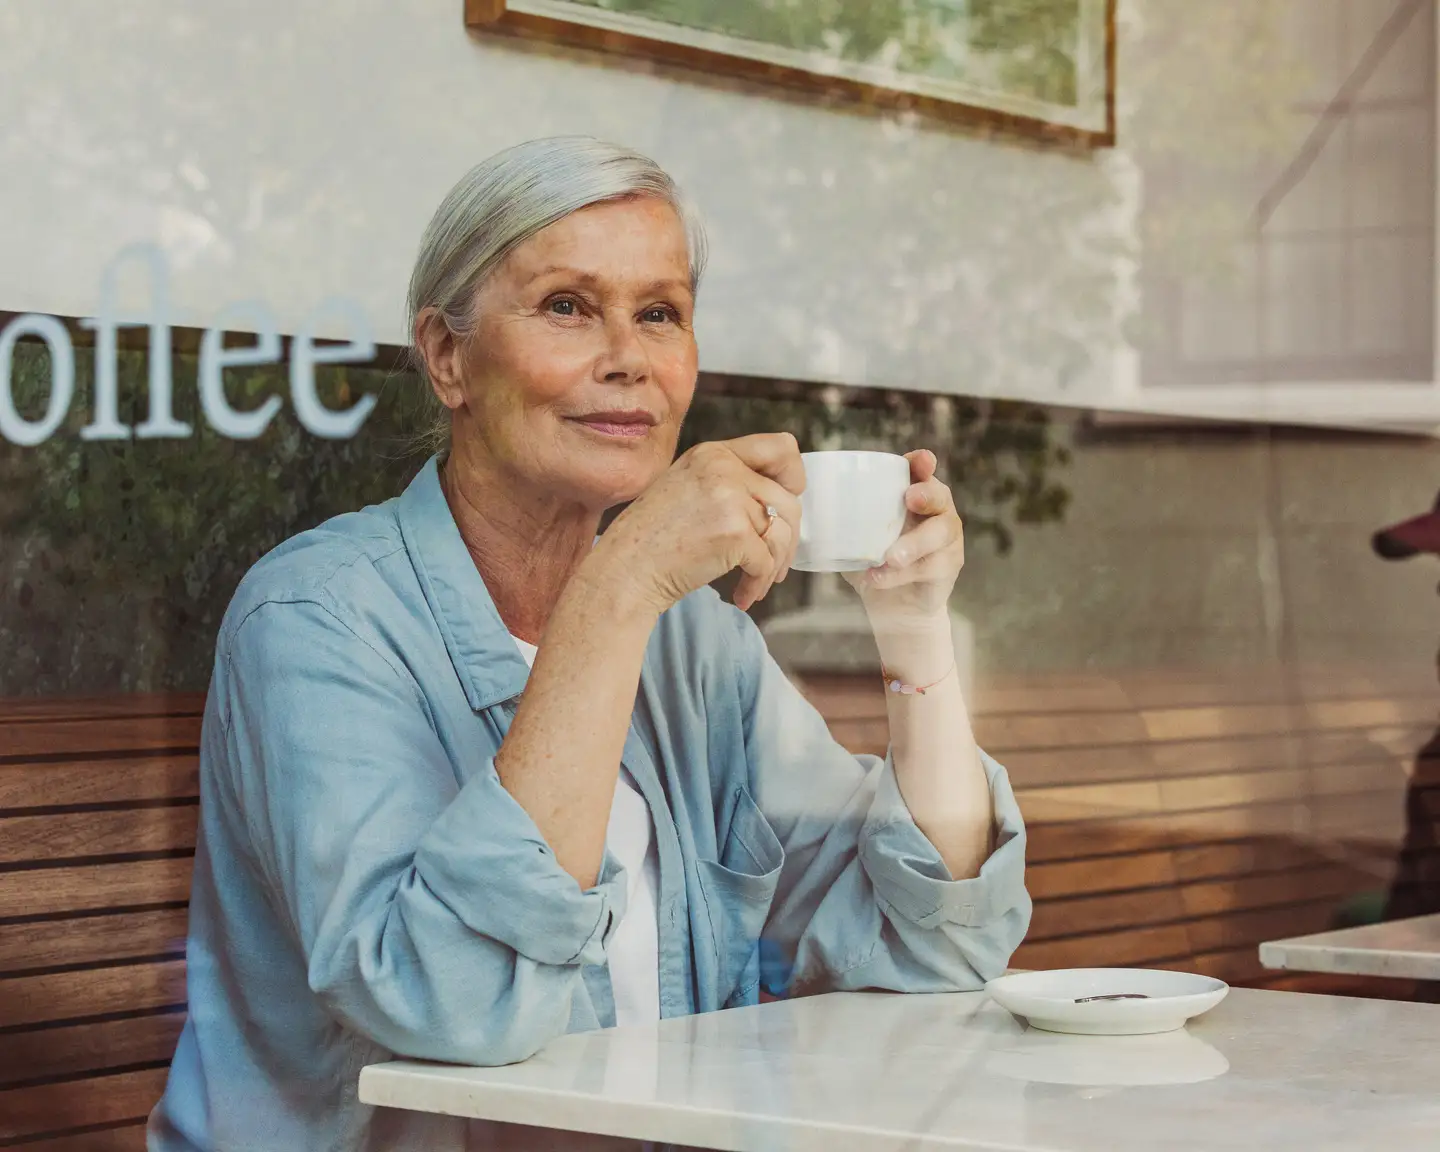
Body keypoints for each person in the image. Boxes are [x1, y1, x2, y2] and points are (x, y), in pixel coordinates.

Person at [148, 137, 1030, 1152]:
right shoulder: (315, 619)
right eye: (568, 305)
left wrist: (914, 629)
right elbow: (449, 1003)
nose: (628, 358)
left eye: (660, 313)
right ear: (446, 357)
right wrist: (619, 586)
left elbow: (932, 942)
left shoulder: (693, 641)